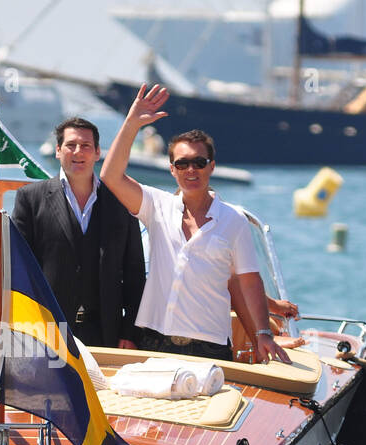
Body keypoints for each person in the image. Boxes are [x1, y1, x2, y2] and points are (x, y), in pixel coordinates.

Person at [100, 84, 289, 364]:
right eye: (183, 163)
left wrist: (263, 333)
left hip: (210, 347)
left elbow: (249, 280)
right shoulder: (157, 206)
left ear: (212, 166)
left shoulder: (234, 220)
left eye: (199, 162)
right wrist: (132, 124)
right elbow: (111, 177)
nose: (191, 170)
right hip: (153, 342)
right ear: (172, 169)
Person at [11, 117, 145, 348]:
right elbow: (19, 270)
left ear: (97, 153)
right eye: (70, 145)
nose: (78, 151)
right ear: (57, 151)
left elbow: (135, 273)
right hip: (47, 330)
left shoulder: (121, 202)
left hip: (108, 332)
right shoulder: (30, 199)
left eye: (85, 146)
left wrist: (130, 332)